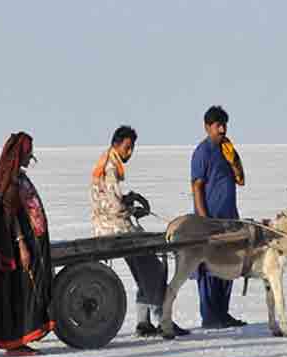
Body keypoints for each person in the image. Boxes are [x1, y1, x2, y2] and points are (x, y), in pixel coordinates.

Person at [91, 125, 189, 337]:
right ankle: (163, 320)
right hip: (116, 228)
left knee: (144, 269)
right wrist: (133, 209)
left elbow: (111, 199)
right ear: (116, 145)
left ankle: (144, 323)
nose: (130, 152)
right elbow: (115, 207)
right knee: (154, 269)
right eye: (127, 147)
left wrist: (129, 199)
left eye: (132, 148)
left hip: (110, 225)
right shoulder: (110, 168)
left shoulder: (107, 162)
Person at [0, 132, 55, 356]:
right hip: (15, 250)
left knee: (25, 291)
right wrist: (21, 245)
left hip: (29, 244)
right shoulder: (10, 183)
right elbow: (9, 218)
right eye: (28, 153)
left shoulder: (17, 178)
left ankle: (19, 339)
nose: (30, 157)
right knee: (18, 293)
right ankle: (14, 343)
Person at [190, 105, 246, 329]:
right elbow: (197, 187)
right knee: (208, 267)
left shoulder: (228, 149)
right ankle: (210, 316)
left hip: (229, 219)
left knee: (229, 265)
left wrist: (234, 161)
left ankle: (223, 314)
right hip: (210, 219)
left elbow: (241, 180)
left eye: (224, 125)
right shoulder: (202, 152)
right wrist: (205, 220)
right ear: (207, 127)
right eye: (217, 126)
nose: (222, 130)